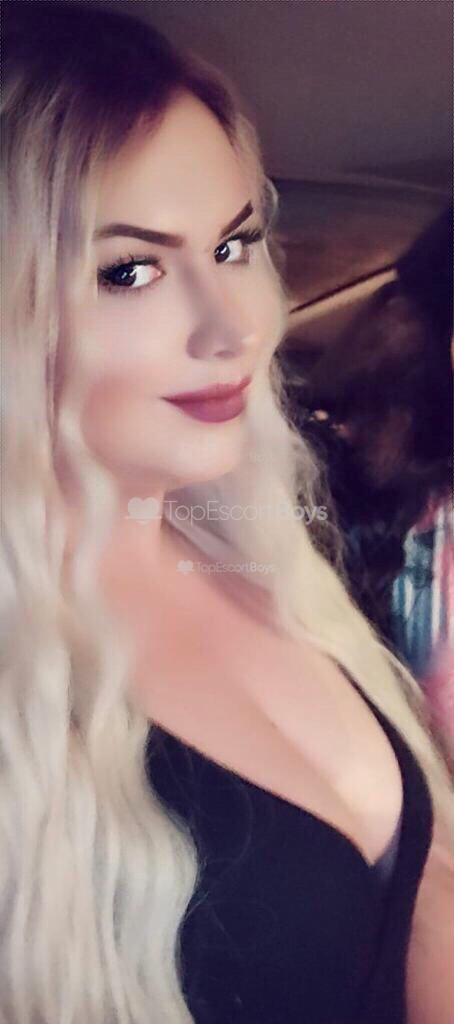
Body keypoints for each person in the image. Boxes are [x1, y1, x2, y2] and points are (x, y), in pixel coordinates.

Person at [1, 3, 453, 1022]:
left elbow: (421, 898)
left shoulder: (263, 566)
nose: (233, 326)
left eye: (236, 244)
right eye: (130, 270)